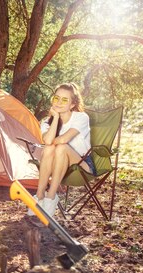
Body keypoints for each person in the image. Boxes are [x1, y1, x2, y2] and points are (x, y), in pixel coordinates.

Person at [28, 82, 95, 217]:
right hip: (56, 165)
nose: (59, 102)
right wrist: (56, 118)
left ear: (72, 105)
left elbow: (63, 139)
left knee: (60, 147)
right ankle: (40, 195)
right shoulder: (48, 122)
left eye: (64, 100)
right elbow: (47, 142)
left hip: (82, 166)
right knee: (49, 149)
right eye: (56, 98)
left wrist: (51, 142)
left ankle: (51, 197)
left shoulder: (81, 117)